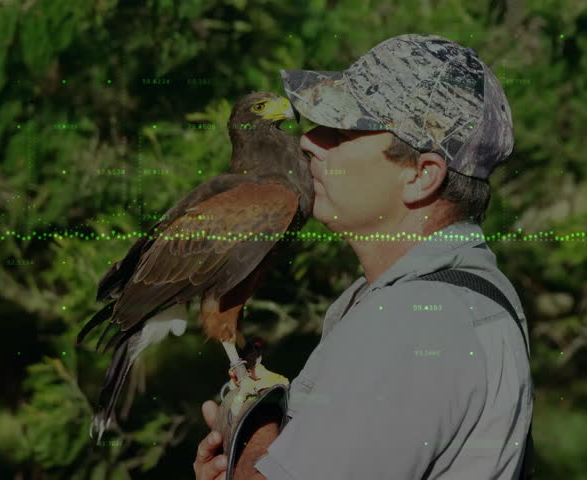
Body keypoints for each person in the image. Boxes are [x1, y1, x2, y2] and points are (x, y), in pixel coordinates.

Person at [194, 33, 534, 479]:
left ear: (421, 175)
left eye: (341, 131)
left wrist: (251, 430)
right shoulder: (462, 296)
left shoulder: (416, 323)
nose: (307, 142)